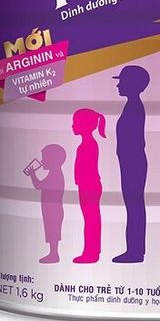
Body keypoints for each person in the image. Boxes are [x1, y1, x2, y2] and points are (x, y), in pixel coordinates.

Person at [112, 65, 150, 263]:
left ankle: (134, 252)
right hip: (131, 162)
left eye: (122, 81)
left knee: (134, 207)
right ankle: (135, 250)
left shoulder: (134, 107)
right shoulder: (132, 105)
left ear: (133, 84)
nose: (118, 85)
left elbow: (133, 140)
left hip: (132, 163)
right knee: (134, 206)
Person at [72, 108, 106, 263]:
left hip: (89, 186)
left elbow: (88, 169)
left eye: (75, 122)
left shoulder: (89, 145)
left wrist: (82, 183)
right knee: (91, 220)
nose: (72, 126)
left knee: (91, 220)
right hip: (87, 185)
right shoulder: (87, 144)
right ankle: (92, 251)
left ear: (84, 125)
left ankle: (91, 253)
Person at [25, 144, 66, 264]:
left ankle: (54, 255)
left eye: (45, 158)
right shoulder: (54, 173)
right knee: (51, 231)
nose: (42, 161)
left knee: (53, 232)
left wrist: (33, 174)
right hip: (51, 209)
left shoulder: (55, 174)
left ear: (54, 160)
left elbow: (38, 186)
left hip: (53, 210)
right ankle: (53, 253)